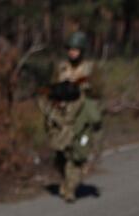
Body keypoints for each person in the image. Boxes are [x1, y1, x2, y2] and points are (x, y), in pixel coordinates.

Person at [40, 31, 102, 203]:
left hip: (81, 115)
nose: (73, 52)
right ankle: (66, 181)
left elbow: (98, 92)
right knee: (60, 154)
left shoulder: (90, 69)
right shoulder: (60, 67)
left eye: (76, 49)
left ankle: (70, 189)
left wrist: (85, 88)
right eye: (71, 49)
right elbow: (49, 90)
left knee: (76, 154)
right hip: (61, 115)